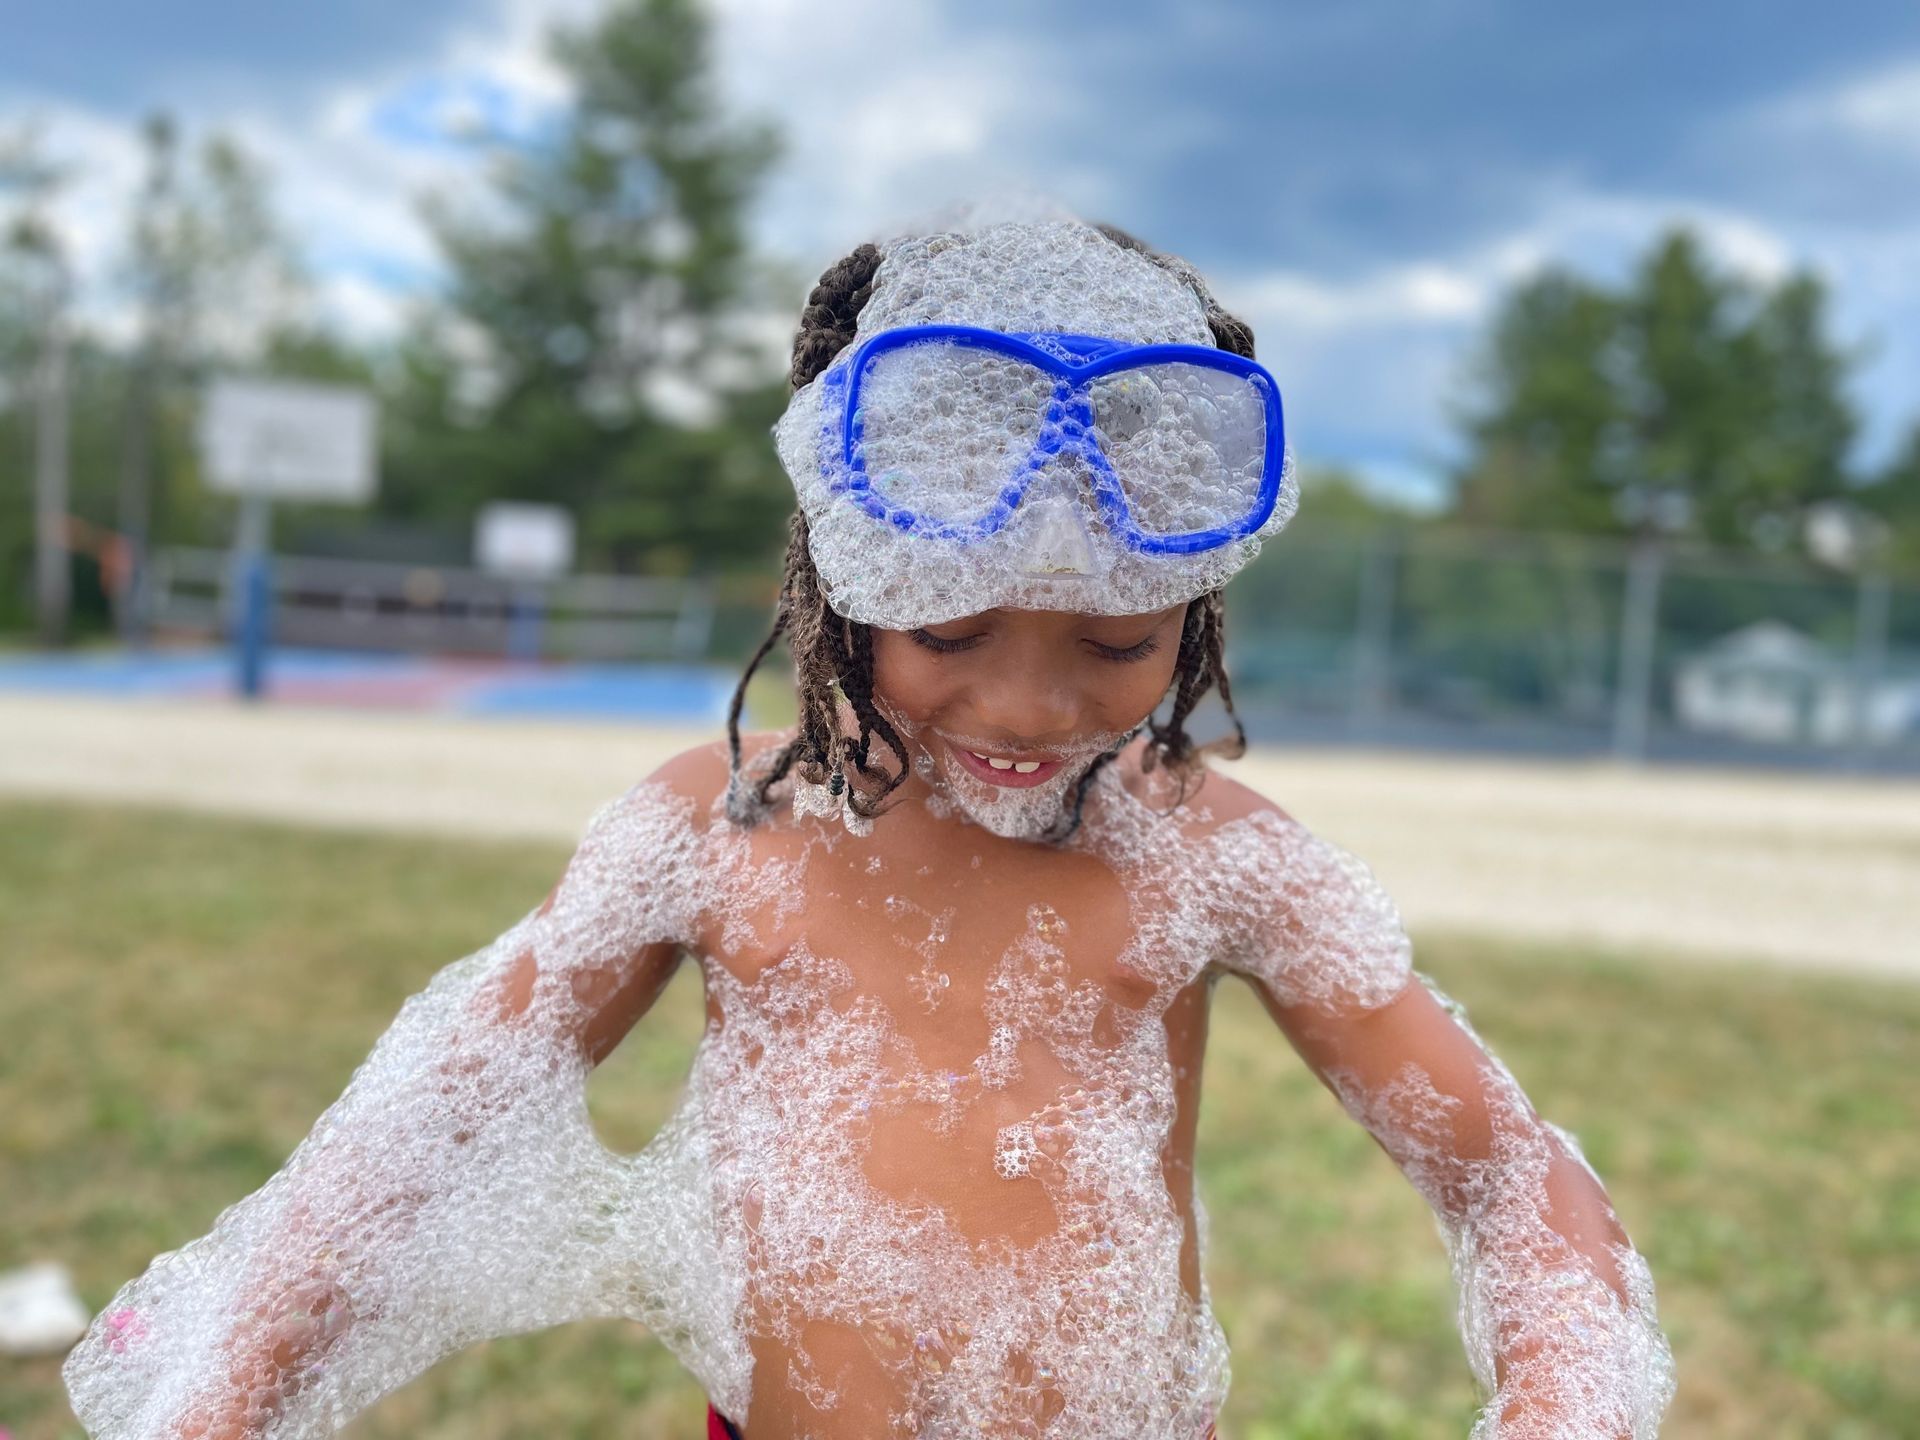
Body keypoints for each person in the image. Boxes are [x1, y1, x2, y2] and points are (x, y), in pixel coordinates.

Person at [63, 207, 1676, 1440]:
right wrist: (218, 1396)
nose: (1032, 710)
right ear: (840, 582)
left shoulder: (1211, 856)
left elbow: (1512, 1173)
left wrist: (1564, 1399)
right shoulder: (722, 828)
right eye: (954, 637)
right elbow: (409, 1144)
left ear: (1194, 612)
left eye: (1115, 643)